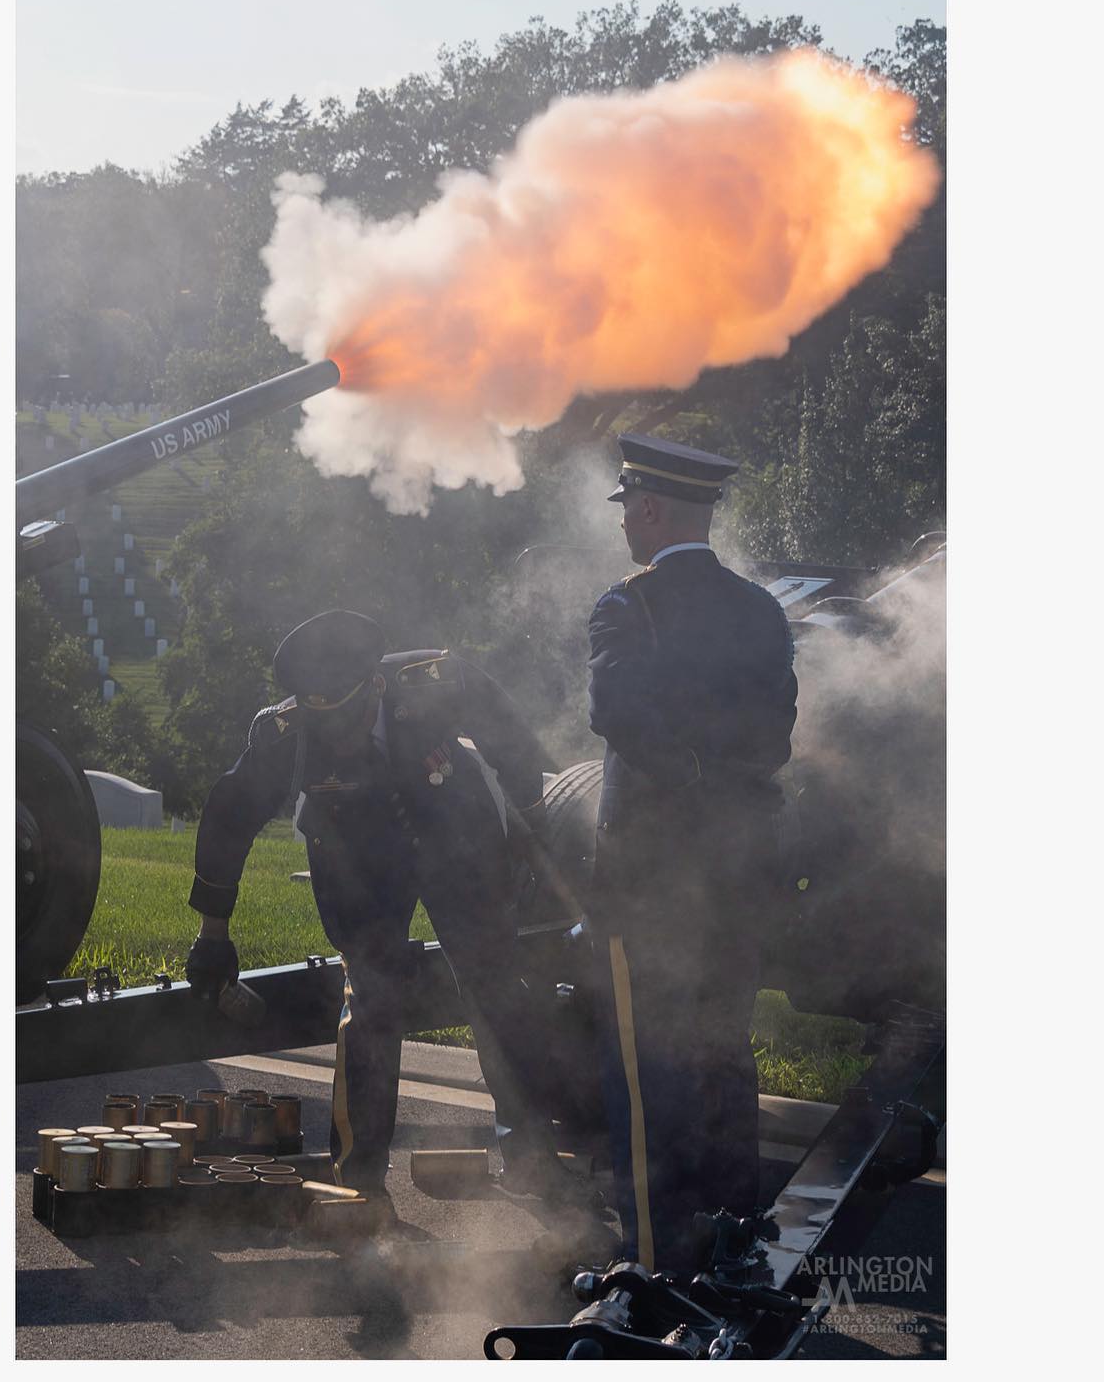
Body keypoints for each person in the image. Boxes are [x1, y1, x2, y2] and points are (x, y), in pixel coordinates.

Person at [184, 609, 591, 1209]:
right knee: (372, 999)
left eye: (345, 720)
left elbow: (512, 741)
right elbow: (227, 821)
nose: (337, 739)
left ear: (374, 686)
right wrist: (212, 933)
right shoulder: (286, 732)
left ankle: (531, 1158)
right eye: (321, 721)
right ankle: (360, 1179)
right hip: (356, 856)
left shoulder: (436, 681)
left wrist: (531, 824)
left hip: (457, 831)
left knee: (495, 983)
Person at [585, 433, 798, 1275]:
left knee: (646, 1072)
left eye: (629, 511)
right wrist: (723, 792)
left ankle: (654, 1255)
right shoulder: (761, 609)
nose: (626, 528)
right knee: (723, 1052)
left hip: (647, 883)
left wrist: (689, 782)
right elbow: (776, 736)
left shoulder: (625, 606)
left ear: (649, 509)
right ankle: (731, 1239)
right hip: (737, 873)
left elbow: (616, 716)